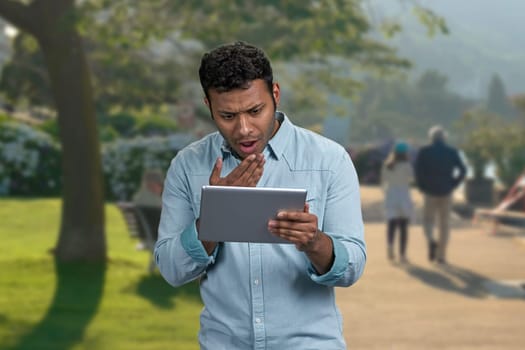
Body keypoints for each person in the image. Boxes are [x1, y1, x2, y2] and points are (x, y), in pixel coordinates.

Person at [154, 41, 366, 349]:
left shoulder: (329, 160)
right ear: (208, 106)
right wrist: (215, 216)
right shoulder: (188, 166)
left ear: (275, 95)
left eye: (255, 111)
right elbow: (172, 270)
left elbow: (353, 266)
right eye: (227, 115)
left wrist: (315, 243)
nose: (244, 129)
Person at [414, 125, 466, 264]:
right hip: (446, 191)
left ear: (431, 137)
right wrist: (453, 184)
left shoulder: (424, 152)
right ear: (444, 137)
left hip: (429, 192)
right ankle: (441, 255)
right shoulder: (452, 152)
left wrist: (422, 186)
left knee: (428, 221)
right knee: (444, 224)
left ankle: (431, 240)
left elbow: (418, 172)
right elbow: (463, 170)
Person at [381, 141, 414, 263]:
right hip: (403, 196)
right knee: (403, 227)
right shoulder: (406, 166)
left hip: (391, 195)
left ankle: (390, 247)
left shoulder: (388, 165)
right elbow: (411, 178)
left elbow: (383, 180)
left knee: (392, 224)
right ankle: (402, 254)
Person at [132, 169, 164, 249]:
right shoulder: (153, 202)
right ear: (152, 185)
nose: (161, 188)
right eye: (160, 185)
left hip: (147, 237)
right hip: (156, 237)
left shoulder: (139, 199)